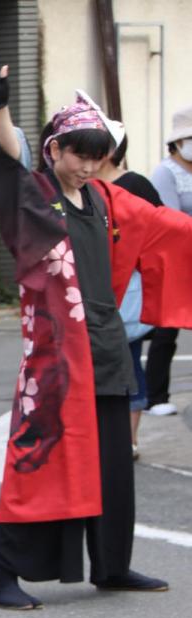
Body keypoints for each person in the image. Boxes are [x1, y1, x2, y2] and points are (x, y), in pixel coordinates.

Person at [0, 53, 192, 611]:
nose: (89, 167)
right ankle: (7, 575)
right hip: (54, 358)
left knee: (114, 466)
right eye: (80, 155)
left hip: (107, 347)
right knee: (38, 460)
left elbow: (171, 230)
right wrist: (0, 108)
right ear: (55, 150)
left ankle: (112, 565)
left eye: (100, 158)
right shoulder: (33, 197)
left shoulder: (107, 201)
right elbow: (8, 156)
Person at [95, 133, 163, 458]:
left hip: (126, 289)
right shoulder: (76, 185)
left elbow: (161, 228)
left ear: (109, 150)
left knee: (129, 360)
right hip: (87, 290)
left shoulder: (135, 184)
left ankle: (129, 440)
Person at [144, 105, 192, 417]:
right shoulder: (165, 172)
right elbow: (170, 219)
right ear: (176, 142)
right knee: (166, 330)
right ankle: (155, 396)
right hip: (174, 261)